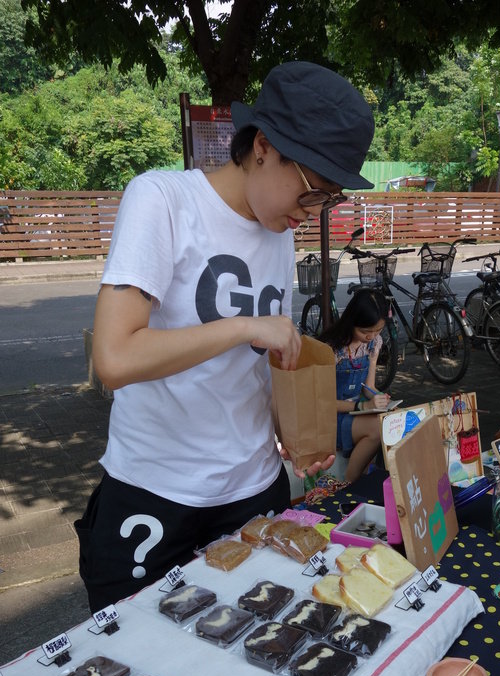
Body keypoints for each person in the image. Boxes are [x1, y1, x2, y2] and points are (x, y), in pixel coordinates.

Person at [75, 61, 375, 612]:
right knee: (140, 657)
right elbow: (114, 357)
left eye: (329, 200)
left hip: (254, 489)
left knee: (262, 642)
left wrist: (295, 431)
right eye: (313, 191)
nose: (314, 213)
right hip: (157, 493)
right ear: (262, 146)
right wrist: (242, 326)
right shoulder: (162, 199)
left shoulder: (278, 229)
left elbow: (264, 361)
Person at [321, 289, 391, 482]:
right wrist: (362, 406)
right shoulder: (331, 350)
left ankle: (368, 479)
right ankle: (351, 484)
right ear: (351, 322)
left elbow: (368, 387)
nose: (371, 336)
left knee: (393, 420)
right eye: (365, 331)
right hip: (328, 418)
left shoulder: (373, 344)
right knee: (377, 428)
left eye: (378, 330)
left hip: (355, 411)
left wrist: (380, 398)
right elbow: (323, 402)